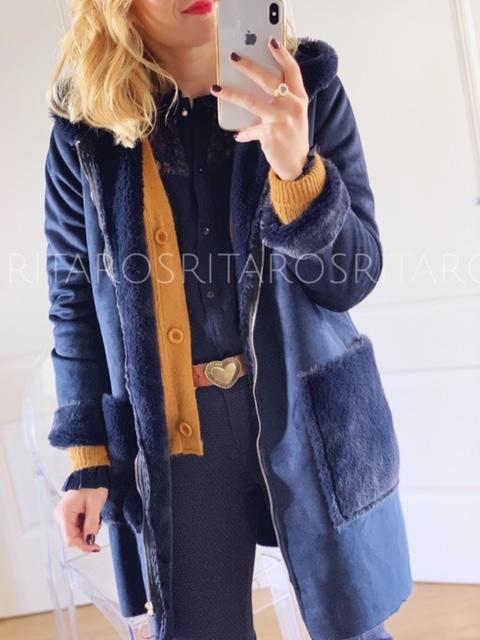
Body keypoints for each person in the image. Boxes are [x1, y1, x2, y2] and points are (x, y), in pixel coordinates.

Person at [43, 1, 412, 639]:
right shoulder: (86, 129)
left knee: (350, 626)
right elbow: (73, 302)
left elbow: (352, 278)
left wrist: (297, 171)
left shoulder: (306, 87)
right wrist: (87, 459)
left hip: (308, 420)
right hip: (176, 445)